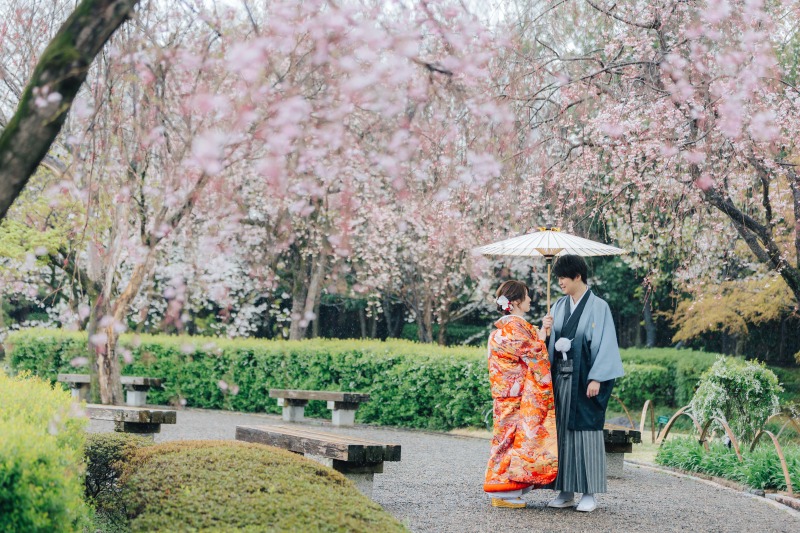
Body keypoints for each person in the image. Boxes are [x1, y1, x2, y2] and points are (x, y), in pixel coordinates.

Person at [541, 255, 624, 512]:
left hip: (585, 379)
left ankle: (589, 493)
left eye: (563, 277)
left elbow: (606, 343)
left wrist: (597, 377)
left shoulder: (599, 306)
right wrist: (545, 331)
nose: (560, 282)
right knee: (561, 433)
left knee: (585, 433)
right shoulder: (558, 306)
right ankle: (565, 491)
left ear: (578, 276)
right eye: (557, 277)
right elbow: (550, 346)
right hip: (560, 379)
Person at [484, 280, 558, 509]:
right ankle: (503, 490)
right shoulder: (515, 328)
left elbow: (529, 345)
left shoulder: (504, 329)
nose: (530, 300)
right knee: (511, 441)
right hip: (516, 396)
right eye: (526, 295)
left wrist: (542, 331)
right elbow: (534, 353)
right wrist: (543, 336)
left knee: (505, 440)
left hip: (505, 394)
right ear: (516, 301)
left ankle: (505, 488)